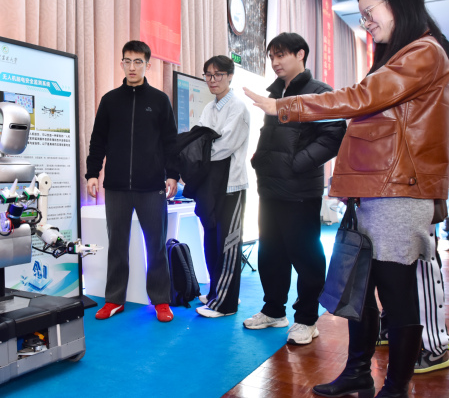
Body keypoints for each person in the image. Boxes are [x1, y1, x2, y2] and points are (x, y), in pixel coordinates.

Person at [244, 0, 449, 396]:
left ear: (398, 3)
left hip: (398, 190)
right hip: (374, 189)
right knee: (359, 290)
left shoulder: (424, 51)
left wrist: (284, 107)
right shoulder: (400, 55)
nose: (366, 23)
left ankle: (395, 388)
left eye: (370, 13)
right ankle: (357, 372)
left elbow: (359, 97)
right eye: (362, 16)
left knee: (396, 294)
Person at [243, 32, 346, 344]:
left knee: (306, 256)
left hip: (300, 190)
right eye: (272, 56)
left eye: (281, 55)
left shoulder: (319, 92)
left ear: (300, 54)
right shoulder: (275, 92)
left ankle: (307, 319)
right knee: (270, 254)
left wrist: (297, 163)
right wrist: (260, 159)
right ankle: (274, 311)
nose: (275, 62)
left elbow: (333, 136)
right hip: (269, 188)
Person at [85, 40, 178, 322]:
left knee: (156, 245)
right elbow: (98, 141)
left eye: (138, 62)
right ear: (122, 64)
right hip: (116, 187)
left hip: (151, 186)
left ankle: (161, 300)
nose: (132, 67)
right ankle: (114, 299)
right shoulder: (110, 100)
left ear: (147, 65)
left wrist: (172, 174)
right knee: (117, 244)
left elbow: (170, 142)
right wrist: (92, 173)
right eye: (128, 61)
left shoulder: (159, 101)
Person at [192, 55, 250, 318]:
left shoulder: (238, 108)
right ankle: (217, 291)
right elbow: (200, 139)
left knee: (228, 243)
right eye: (208, 74)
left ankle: (225, 304)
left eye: (218, 75)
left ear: (230, 76)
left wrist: (198, 152)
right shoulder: (209, 108)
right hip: (210, 184)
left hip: (231, 186)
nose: (212, 80)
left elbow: (223, 146)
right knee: (211, 239)